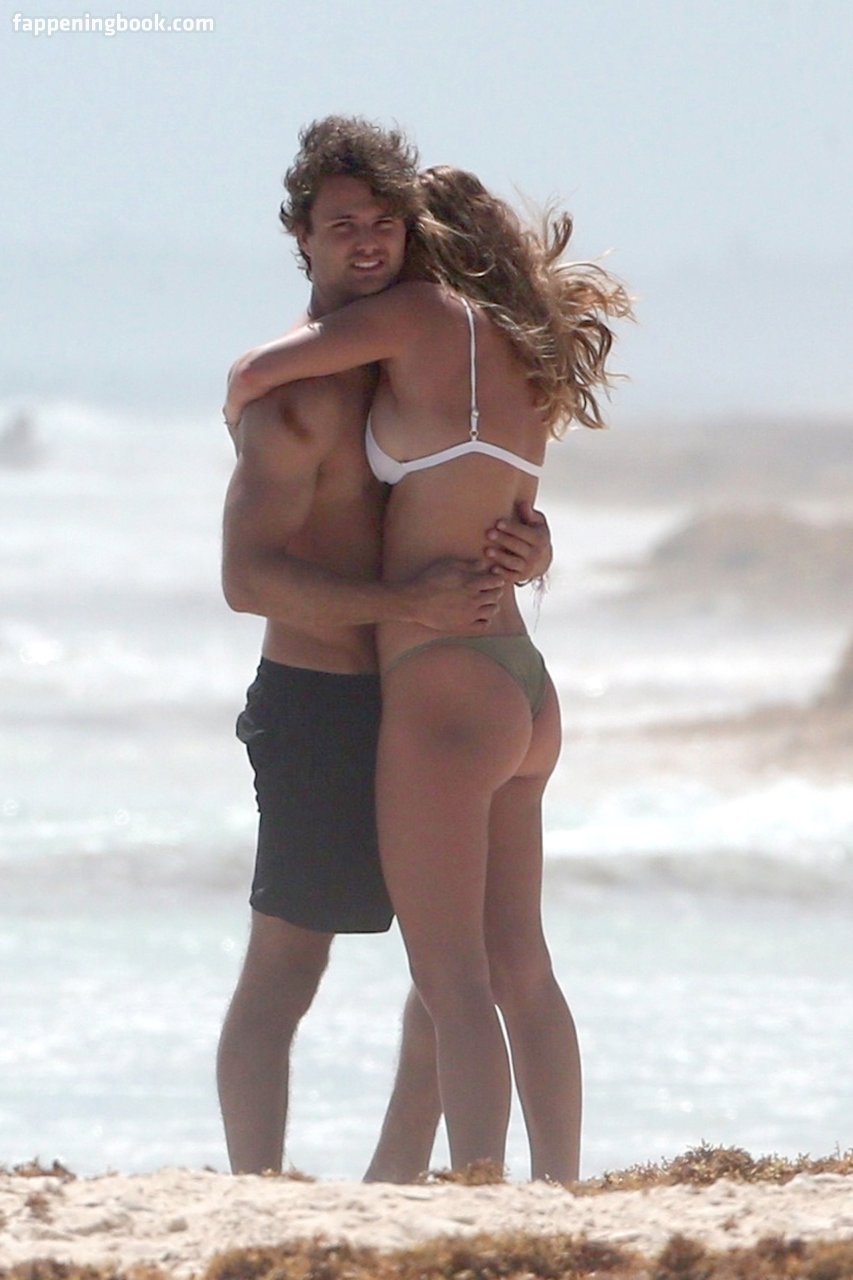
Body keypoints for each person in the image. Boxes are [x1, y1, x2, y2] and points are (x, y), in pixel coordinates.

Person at [224, 165, 632, 1180]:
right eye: (350, 225)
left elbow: (254, 368)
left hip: (442, 681)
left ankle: (480, 1184)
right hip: (521, 681)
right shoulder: (522, 349)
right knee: (520, 966)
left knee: (452, 977)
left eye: (391, 224)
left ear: (424, 238)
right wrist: (534, 548)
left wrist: (239, 403)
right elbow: (494, 504)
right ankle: (558, 1185)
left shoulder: (418, 319)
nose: (376, 242)